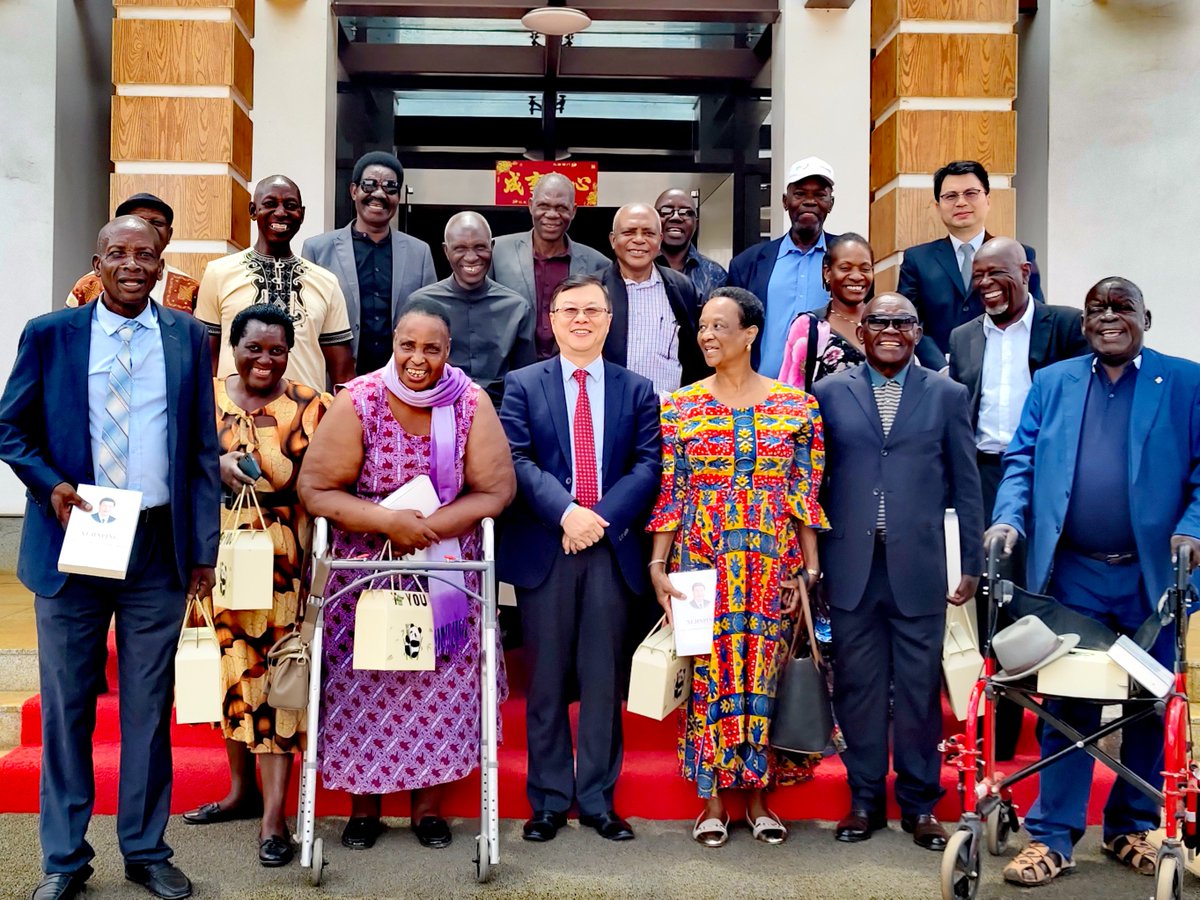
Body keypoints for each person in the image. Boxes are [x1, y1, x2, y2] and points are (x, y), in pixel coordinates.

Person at [0, 216, 220, 900]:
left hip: (156, 545)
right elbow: (11, 427)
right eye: (118, 253)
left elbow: (202, 453)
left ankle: (146, 848)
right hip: (74, 541)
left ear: (162, 265)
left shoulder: (188, 337)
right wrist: (52, 485)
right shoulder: (50, 334)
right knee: (68, 706)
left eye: (145, 254)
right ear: (96, 262)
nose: (132, 263)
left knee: (150, 707)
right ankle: (64, 858)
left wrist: (203, 552)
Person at [986, 277, 1200, 887]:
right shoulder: (1054, 383)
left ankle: (1131, 826)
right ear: (1083, 323)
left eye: (1121, 307)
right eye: (1097, 309)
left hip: (1151, 578)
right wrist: (1007, 516)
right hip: (1072, 573)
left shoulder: (1185, 381)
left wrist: (1192, 527)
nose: (1109, 317)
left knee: (1149, 702)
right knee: (1066, 702)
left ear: (1146, 317)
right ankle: (1052, 836)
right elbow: (1021, 460)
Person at [296, 296, 515, 852]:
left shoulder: (469, 402)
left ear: (449, 351)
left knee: (436, 683)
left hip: (442, 568)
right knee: (363, 680)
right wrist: (387, 522)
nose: (418, 359)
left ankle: (427, 810)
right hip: (364, 570)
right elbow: (316, 489)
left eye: (431, 349)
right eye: (407, 346)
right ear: (392, 345)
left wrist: (433, 527)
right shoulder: (361, 398)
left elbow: (496, 489)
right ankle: (363, 810)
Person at [647, 286, 829, 848]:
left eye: (719, 326)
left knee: (764, 677)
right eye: (702, 326)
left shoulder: (797, 407)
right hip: (701, 566)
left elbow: (805, 496)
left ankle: (758, 800)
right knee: (706, 678)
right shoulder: (679, 406)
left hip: (773, 566)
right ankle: (710, 804)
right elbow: (671, 494)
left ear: (750, 334)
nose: (707, 335)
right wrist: (659, 563)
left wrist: (809, 574)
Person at [812, 293, 983, 851]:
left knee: (916, 689)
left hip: (919, 566)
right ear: (861, 333)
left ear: (917, 331)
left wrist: (972, 564)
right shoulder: (828, 393)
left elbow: (967, 485)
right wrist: (807, 563)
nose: (889, 329)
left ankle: (919, 805)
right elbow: (815, 484)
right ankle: (864, 800)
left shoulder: (948, 394)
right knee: (859, 688)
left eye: (901, 322)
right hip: (851, 566)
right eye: (878, 322)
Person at [498, 273, 660, 844]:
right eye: (570, 310)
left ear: (609, 321)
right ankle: (546, 801)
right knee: (544, 681)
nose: (581, 319)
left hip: (610, 549)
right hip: (547, 544)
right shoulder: (521, 384)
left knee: (602, 679)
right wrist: (567, 513)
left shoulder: (638, 390)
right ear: (552, 319)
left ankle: (597, 800)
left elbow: (646, 467)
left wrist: (596, 520)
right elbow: (515, 459)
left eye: (593, 310)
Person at [179, 304, 331, 868]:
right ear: (231, 349)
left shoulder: (312, 406)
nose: (264, 360)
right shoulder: (204, 397)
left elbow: (325, 480)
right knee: (231, 673)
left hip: (282, 561)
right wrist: (214, 464)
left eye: (276, 350)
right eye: (253, 349)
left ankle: (274, 819)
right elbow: (178, 463)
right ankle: (240, 793)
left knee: (276, 681)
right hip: (213, 557)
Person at [947, 237, 1088, 759]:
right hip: (984, 475)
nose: (985, 284)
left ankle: (1056, 723)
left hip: (1048, 478)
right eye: (977, 276)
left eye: (996, 273)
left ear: (1025, 271)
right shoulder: (962, 337)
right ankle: (998, 735)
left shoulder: (1066, 325)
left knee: (1045, 590)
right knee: (991, 599)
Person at [196, 175, 355, 392]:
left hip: (305, 418)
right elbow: (207, 358)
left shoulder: (326, 282)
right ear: (253, 211)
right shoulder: (218, 273)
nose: (281, 213)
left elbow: (342, 371)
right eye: (270, 204)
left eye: (290, 206)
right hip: (235, 418)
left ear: (302, 214)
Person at [897, 160, 1045, 367]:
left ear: (988, 199)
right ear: (938, 207)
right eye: (951, 196)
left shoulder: (1020, 255)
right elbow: (908, 321)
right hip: (938, 377)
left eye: (971, 193)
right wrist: (941, 369)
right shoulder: (917, 259)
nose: (961, 203)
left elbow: (1036, 318)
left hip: (1002, 369)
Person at [301, 151, 438, 375]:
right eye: (369, 185)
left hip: (402, 381)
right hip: (337, 379)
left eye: (390, 187)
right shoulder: (318, 250)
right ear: (354, 191)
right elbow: (306, 323)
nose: (379, 194)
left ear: (399, 196)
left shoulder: (419, 253)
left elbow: (429, 320)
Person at [405, 211, 535, 405]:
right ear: (446, 251)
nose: (472, 257)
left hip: (498, 416)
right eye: (460, 248)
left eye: (480, 247)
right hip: (435, 412)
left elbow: (525, 381)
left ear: (492, 247)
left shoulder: (516, 308)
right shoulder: (420, 305)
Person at [727, 157, 840, 376]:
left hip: (829, 388)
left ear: (831, 204)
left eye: (819, 195)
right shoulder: (747, 264)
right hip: (763, 391)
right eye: (799, 194)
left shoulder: (846, 261)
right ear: (785, 201)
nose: (809, 202)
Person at [489, 171, 610, 361]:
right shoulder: (497, 252)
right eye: (543, 205)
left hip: (570, 370)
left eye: (561, 207)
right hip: (509, 372)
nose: (552, 214)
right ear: (530, 206)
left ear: (573, 211)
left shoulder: (598, 264)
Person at [600, 203, 706, 393]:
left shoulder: (681, 288)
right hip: (610, 409)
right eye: (629, 232)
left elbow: (695, 354)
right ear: (613, 240)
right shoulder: (595, 288)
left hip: (667, 412)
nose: (639, 240)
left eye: (648, 233)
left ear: (660, 240)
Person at [66, 193, 199, 313]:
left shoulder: (189, 288)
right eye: (137, 222)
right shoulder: (88, 286)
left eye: (156, 223)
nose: (146, 229)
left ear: (169, 235)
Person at [779, 232, 873, 391]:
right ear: (827, 272)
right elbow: (791, 392)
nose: (857, 276)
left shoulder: (887, 323)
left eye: (865, 269)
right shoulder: (808, 327)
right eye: (845, 268)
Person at [654, 188, 727, 301]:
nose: (676, 217)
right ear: (653, 219)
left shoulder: (716, 274)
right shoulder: (639, 268)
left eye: (686, 212)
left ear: (696, 224)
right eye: (666, 210)